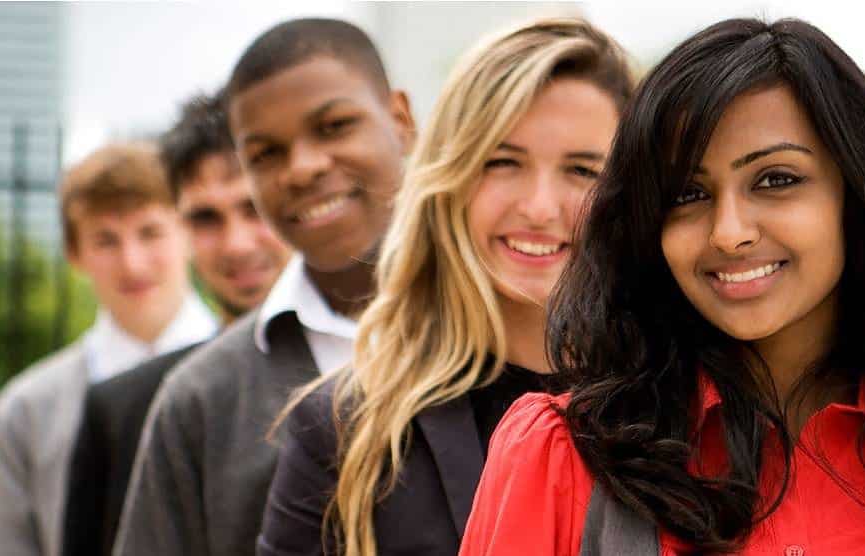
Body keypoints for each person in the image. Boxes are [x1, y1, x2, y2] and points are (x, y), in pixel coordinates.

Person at [459, 17, 865, 556]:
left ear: (858, 195)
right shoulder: (559, 455)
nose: (729, 233)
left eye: (776, 179)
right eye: (686, 194)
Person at [257, 18, 634, 556]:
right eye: (504, 162)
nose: (539, 207)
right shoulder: (344, 430)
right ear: (452, 177)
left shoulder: (691, 404)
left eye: (581, 170)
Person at [113, 18, 415, 556]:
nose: (302, 168)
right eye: (266, 154)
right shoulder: (202, 399)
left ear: (401, 121)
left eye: (335, 126)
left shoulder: (509, 338)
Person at [60, 91, 292, 556]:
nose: (237, 244)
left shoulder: (402, 367)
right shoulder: (126, 408)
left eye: (254, 208)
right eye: (206, 217)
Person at [0, 142, 218, 556]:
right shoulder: (27, 409)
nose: (132, 262)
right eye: (106, 240)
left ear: (188, 233)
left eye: (150, 232)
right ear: (74, 253)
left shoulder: (253, 373)